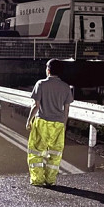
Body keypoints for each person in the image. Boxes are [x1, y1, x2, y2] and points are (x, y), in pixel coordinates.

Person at [25, 59, 73, 187]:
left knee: (35, 152)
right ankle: (50, 180)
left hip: (42, 122)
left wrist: (29, 120)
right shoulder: (66, 87)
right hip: (58, 124)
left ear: (48, 70)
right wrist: (64, 124)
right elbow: (66, 109)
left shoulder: (41, 84)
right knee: (55, 154)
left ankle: (37, 180)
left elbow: (35, 106)